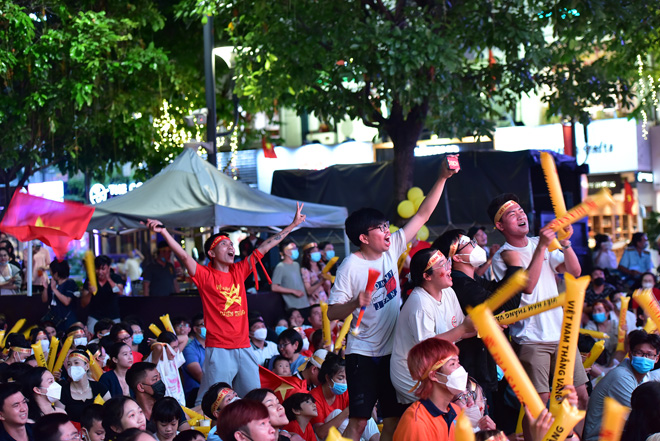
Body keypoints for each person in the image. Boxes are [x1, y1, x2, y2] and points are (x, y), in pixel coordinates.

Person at [328, 157, 457, 441]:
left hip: (393, 353)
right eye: (380, 228)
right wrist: (354, 304)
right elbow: (331, 314)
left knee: (393, 420)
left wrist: (442, 178)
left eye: (387, 226)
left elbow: (422, 215)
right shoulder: (350, 266)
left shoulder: (392, 248)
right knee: (360, 423)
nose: (388, 231)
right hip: (362, 353)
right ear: (363, 237)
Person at [145, 202, 306, 405]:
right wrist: (165, 233)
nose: (230, 246)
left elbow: (265, 247)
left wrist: (292, 225)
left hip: (244, 346)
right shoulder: (204, 275)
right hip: (220, 349)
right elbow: (184, 256)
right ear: (211, 253)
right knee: (214, 401)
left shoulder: (239, 270)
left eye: (231, 244)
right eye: (224, 244)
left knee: (253, 398)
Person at [487, 193, 589, 420]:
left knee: (580, 395)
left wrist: (566, 243)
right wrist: (542, 247)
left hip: (561, 335)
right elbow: (528, 286)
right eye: (512, 214)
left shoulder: (538, 243)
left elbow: (574, 271)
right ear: (500, 225)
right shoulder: (504, 255)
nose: (520, 215)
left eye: (521, 211)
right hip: (532, 339)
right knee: (539, 407)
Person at [433, 230, 522, 404]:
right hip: (473, 371)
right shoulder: (461, 285)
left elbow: (500, 296)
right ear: (456, 258)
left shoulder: (473, 280)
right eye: (469, 244)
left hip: (483, 366)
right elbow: (506, 306)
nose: (476, 245)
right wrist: (515, 266)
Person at [390, 248, 475, 404]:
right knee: (462, 404)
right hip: (413, 375)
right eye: (442, 265)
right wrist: (463, 328)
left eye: (447, 262)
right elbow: (428, 348)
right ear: (427, 276)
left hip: (438, 370)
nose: (449, 268)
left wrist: (486, 327)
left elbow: (461, 331)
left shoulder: (448, 292)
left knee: (472, 398)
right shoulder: (419, 304)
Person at [583, 330, 660, 441]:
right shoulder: (621, 377)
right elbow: (643, 415)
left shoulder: (647, 376)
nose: (644, 357)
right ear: (630, 353)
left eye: (649, 354)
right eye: (639, 353)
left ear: (656, 358)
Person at [392, 338, 465, 441]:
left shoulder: (456, 411)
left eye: (458, 362)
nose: (460, 368)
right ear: (434, 375)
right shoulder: (416, 422)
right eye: (452, 364)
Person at [125, 362, 191, 432]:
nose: (160, 382)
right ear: (141, 387)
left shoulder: (170, 404)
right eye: (155, 379)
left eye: (160, 378)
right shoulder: (130, 413)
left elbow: (186, 433)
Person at [60, 350, 111, 422]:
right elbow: (60, 420)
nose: (72, 367)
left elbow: (112, 411)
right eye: (69, 364)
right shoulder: (63, 392)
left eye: (76, 363)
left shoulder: (99, 388)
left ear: (87, 366)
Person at [309, 354, 349, 440]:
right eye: (341, 378)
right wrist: (346, 412)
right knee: (337, 413)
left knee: (367, 419)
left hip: (341, 436)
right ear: (327, 377)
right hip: (321, 438)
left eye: (347, 379)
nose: (344, 383)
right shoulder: (314, 397)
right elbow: (320, 433)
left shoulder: (345, 392)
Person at [81, 255, 124, 331]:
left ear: (108, 267)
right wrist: (90, 293)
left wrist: (109, 279)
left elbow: (120, 292)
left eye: (103, 269)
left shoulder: (116, 278)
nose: (100, 272)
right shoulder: (90, 280)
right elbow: (83, 303)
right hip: (94, 316)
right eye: (97, 269)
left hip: (113, 316)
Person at [146, 332, 186, 406]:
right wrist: (156, 342)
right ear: (163, 346)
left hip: (180, 404)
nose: (176, 351)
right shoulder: (155, 360)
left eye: (177, 347)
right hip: (167, 406)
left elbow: (185, 338)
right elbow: (158, 348)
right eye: (173, 347)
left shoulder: (174, 358)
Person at [41, 259, 78, 332]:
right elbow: (44, 300)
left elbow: (67, 301)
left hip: (67, 319)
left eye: (51, 271)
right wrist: (45, 288)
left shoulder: (69, 283)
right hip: (54, 320)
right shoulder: (52, 283)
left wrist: (54, 289)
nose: (50, 273)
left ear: (56, 273)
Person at [272, 241, 309, 310]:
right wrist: (293, 291)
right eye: (294, 249)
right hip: (293, 307)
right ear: (286, 251)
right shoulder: (280, 267)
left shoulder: (296, 264)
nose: (296, 250)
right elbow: (274, 287)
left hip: (305, 303)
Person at [583, 301, 618, 372]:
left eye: (599, 310)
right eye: (594, 311)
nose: (596, 313)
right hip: (597, 363)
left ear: (607, 312)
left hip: (614, 361)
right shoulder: (590, 326)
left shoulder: (615, 325)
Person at [182, 314, 205, 407]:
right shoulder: (189, 349)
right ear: (195, 329)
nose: (208, 327)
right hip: (195, 394)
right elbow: (199, 376)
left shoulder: (214, 347)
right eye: (203, 324)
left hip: (211, 390)